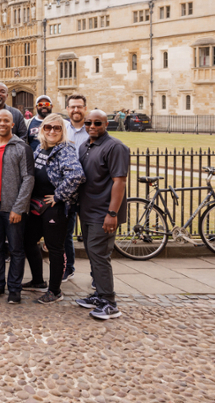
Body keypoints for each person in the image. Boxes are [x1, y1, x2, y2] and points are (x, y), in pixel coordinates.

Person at [23, 114, 85, 304]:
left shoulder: (65, 150)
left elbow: (77, 175)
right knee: (28, 241)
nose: (52, 131)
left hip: (54, 207)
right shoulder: (41, 148)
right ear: (42, 129)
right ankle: (38, 280)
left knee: (55, 248)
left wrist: (58, 196)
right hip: (36, 204)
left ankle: (55, 290)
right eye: (48, 127)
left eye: (57, 128)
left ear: (62, 131)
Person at [76, 110, 129, 320]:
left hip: (103, 213)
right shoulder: (85, 146)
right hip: (87, 211)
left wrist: (112, 213)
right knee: (92, 254)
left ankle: (109, 302)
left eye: (97, 123)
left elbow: (120, 181)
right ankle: (99, 294)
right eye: (88, 122)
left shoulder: (115, 147)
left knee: (100, 256)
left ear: (106, 124)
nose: (92, 126)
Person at [0, 109, 34, 304]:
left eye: (6, 121)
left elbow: (28, 179)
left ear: (12, 124)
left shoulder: (22, 147)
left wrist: (19, 208)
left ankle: (14, 288)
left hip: (12, 207)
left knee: (16, 249)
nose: (2, 123)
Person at [63, 94, 89, 282]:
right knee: (66, 233)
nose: (76, 110)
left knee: (90, 236)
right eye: (72, 107)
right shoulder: (62, 129)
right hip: (69, 189)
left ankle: (97, 275)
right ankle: (68, 267)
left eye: (79, 107)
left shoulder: (92, 128)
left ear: (84, 108)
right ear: (67, 109)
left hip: (89, 190)